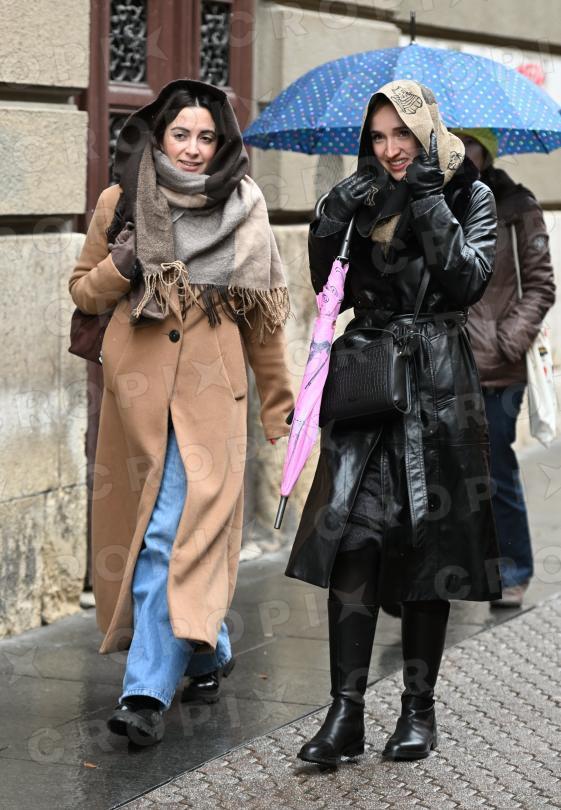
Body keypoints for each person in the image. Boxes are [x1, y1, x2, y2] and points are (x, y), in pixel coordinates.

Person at [69, 79, 294, 744]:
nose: (193, 149)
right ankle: (206, 648)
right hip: (136, 403)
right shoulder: (121, 200)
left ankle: (144, 692)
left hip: (211, 403)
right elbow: (82, 293)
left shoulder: (244, 207)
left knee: (169, 537)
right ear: (159, 137)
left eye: (206, 137)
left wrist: (279, 408)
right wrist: (122, 264)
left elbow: (263, 324)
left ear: (222, 144)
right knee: (157, 535)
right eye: (180, 135)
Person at [286, 80, 500, 766]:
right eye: (378, 137)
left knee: (425, 547)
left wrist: (430, 200)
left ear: (426, 130)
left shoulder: (469, 194)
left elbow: (467, 282)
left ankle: (417, 710)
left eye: (401, 134)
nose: (390, 149)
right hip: (366, 386)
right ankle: (344, 713)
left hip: (436, 387)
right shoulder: (364, 195)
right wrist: (328, 220)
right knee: (351, 540)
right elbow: (331, 287)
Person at [454, 129, 556, 608]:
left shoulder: (518, 206)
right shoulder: (434, 201)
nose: (460, 152)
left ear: (487, 150)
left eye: (469, 143)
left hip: (498, 367)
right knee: (445, 473)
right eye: (452, 142)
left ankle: (513, 569)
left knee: (495, 470)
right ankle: (455, 568)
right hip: (444, 360)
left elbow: (541, 285)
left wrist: (507, 340)